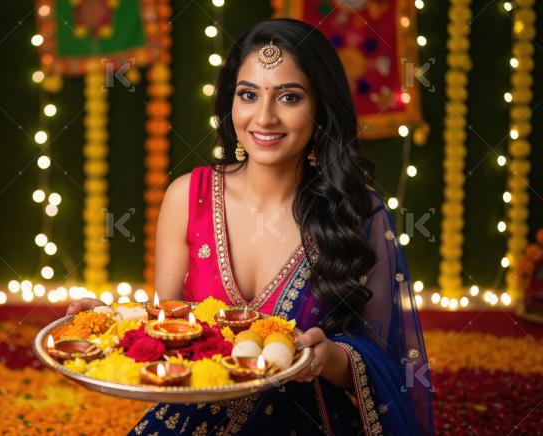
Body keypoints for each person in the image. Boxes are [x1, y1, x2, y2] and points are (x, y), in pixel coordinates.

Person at [68, 18, 433, 435]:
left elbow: (387, 364)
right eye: (248, 95)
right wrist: (111, 328)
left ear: (321, 109)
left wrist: (328, 357)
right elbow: (165, 332)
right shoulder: (189, 197)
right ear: (231, 102)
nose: (264, 117)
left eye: (289, 97)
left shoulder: (358, 212)